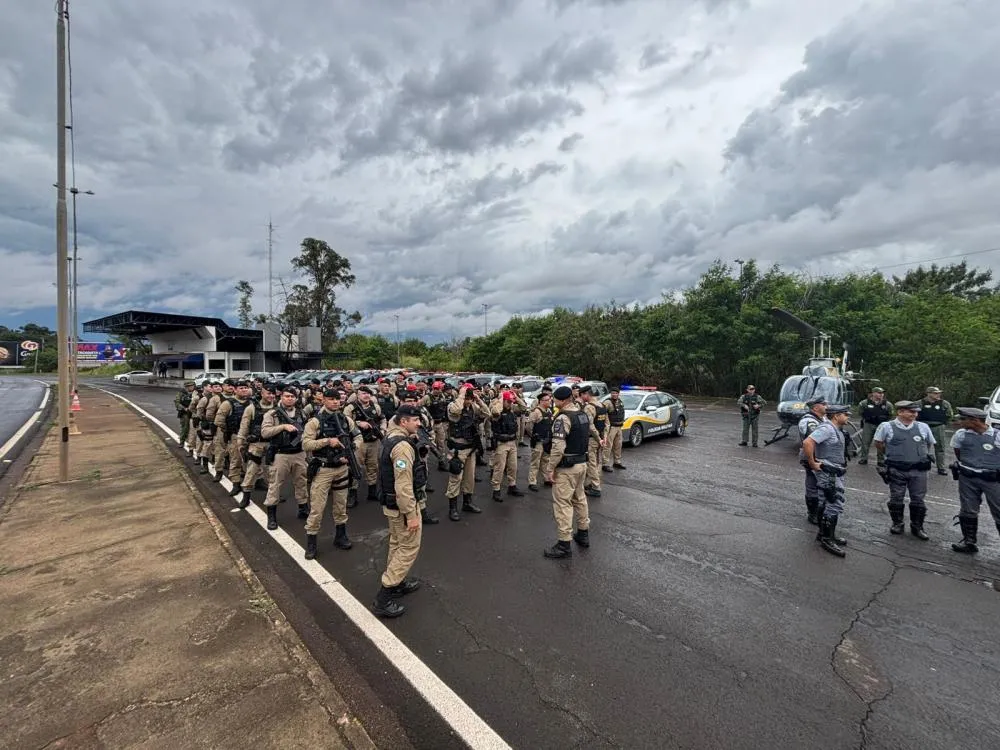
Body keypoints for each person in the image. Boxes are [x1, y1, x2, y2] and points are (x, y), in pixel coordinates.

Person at [371, 404, 425, 618]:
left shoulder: (391, 437)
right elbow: (403, 486)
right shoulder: (402, 446)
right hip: (402, 509)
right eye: (415, 420)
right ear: (404, 422)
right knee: (408, 548)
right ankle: (384, 597)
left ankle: (398, 583)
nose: (419, 423)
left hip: (392, 506)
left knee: (397, 544)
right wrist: (411, 515)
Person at [301, 389, 363, 559]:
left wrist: (351, 449)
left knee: (341, 505)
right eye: (331, 399)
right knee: (317, 508)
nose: (335, 402)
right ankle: (311, 543)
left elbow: (358, 437)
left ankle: (340, 536)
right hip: (323, 469)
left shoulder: (346, 419)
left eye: (337, 399)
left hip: (342, 469)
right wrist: (327, 441)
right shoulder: (315, 422)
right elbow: (306, 444)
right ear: (324, 400)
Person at [542, 385, 592, 559]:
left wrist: (550, 469)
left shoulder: (563, 418)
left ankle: (564, 544)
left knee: (563, 504)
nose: (554, 402)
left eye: (555, 399)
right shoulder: (582, 414)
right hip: (581, 464)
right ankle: (583, 534)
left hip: (567, 468)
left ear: (562, 400)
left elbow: (558, 447)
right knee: (580, 499)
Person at [873, 401, 935, 539]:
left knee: (918, 499)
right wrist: (893, 454)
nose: (914, 414)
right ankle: (897, 523)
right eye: (911, 411)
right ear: (900, 412)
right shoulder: (886, 426)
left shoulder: (923, 427)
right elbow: (879, 443)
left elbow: (928, 443)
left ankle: (917, 526)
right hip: (897, 469)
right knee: (896, 497)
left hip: (918, 470)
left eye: (916, 412)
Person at [802, 404, 851, 557]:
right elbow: (807, 443)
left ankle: (824, 534)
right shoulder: (827, 429)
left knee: (826, 502)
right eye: (845, 414)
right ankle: (827, 538)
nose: (848, 417)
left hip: (834, 470)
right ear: (836, 416)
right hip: (827, 471)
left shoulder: (835, 429)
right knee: (835, 502)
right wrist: (812, 463)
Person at [949, 407, 1000, 555]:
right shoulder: (961, 435)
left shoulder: (997, 435)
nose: (959, 422)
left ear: (975, 421)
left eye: (963, 419)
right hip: (968, 477)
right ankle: (969, 542)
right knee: (968, 510)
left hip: (993, 479)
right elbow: (959, 453)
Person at [260, 386, 309, 531]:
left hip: (299, 453)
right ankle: (272, 516)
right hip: (281, 454)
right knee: (275, 485)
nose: (290, 399)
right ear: (281, 397)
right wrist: (283, 427)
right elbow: (265, 432)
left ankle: (303, 508)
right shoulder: (273, 414)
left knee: (301, 482)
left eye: (292, 397)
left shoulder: (302, 413)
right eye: (287, 396)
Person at [444, 383, 490, 521]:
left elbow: (487, 413)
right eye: (466, 397)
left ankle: (467, 503)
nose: (468, 400)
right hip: (457, 449)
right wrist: (461, 394)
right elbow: (457, 410)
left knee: (469, 478)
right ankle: (452, 508)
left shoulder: (472, 407)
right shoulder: (453, 406)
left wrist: (478, 399)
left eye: (470, 398)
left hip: (470, 449)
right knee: (455, 478)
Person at [489, 390, 525, 501]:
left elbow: (523, 407)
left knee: (513, 467)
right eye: (508, 401)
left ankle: (512, 486)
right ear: (503, 401)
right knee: (499, 468)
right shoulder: (497, 410)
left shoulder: (512, 410)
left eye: (511, 402)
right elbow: (495, 411)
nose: (510, 404)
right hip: (501, 443)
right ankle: (496, 489)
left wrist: (516, 397)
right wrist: (500, 400)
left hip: (512, 442)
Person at [797, 398, 828, 525]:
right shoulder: (808, 421)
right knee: (813, 485)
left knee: (823, 485)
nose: (827, 406)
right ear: (815, 408)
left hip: (822, 456)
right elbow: (815, 438)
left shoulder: (824, 419)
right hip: (812, 457)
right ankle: (813, 513)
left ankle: (821, 510)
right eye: (824, 404)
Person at [917, 386, 953, 475]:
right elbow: (914, 414)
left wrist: (944, 424)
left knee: (940, 448)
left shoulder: (944, 403)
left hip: (938, 426)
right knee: (923, 447)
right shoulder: (919, 403)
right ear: (928, 393)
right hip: (924, 426)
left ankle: (941, 468)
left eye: (939, 393)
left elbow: (950, 415)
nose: (938, 395)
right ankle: (922, 465)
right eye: (935, 393)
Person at [856, 387, 893, 465]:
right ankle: (864, 458)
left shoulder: (887, 404)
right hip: (869, 424)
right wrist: (867, 418)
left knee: (881, 442)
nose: (881, 395)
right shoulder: (864, 403)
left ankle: (881, 460)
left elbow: (891, 414)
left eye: (882, 393)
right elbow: (860, 412)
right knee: (865, 442)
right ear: (873, 393)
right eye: (879, 393)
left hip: (881, 425)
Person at [527, 392, 554, 491]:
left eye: (550, 399)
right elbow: (529, 426)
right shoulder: (536, 412)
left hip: (547, 441)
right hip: (538, 441)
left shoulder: (549, 411)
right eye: (547, 400)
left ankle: (546, 479)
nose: (550, 401)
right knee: (535, 462)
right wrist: (534, 436)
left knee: (545, 461)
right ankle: (532, 482)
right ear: (541, 401)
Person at [603, 389, 626, 470]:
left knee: (618, 445)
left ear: (618, 394)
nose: (614, 394)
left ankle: (617, 462)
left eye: (616, 393)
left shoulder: (619, 401)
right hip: (611, 427)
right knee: (608, 446)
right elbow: (603, 413)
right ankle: (605, 464)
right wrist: (607, 425)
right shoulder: (607, 402)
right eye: (613, 393)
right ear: (610, 393)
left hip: (619, 427)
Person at [174, 380, 196, 451]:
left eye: (193, 386)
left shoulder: (195, 393)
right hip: (184, 413)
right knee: (185, 428)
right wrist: (184, 409)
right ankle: (182, 441)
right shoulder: (181, 393)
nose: (192, 387)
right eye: (190, 386)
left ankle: (192, 444)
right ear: (187, 387)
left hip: (193, 413)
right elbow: (177, 403)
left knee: (193, 429)